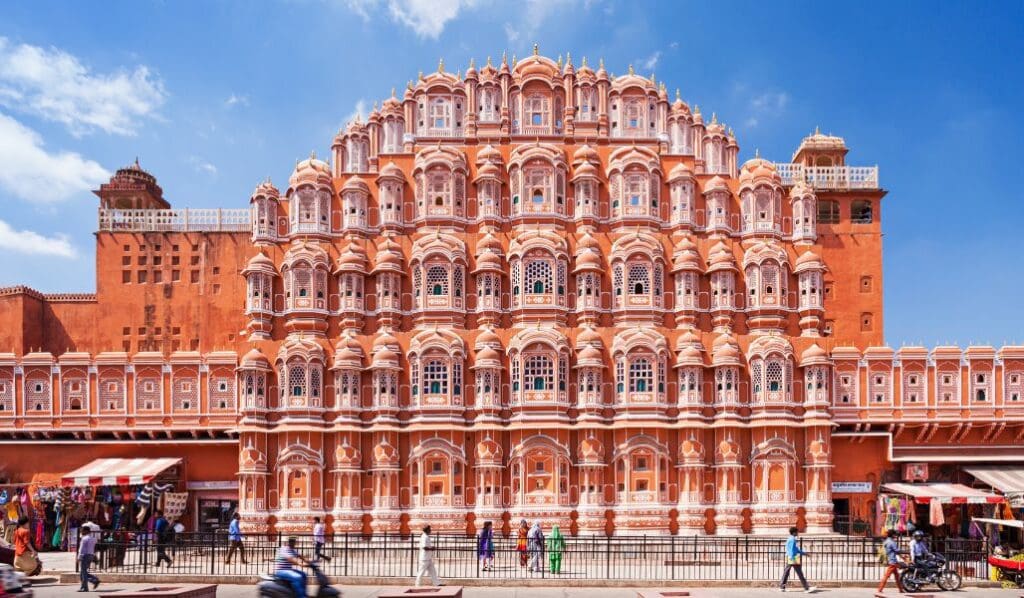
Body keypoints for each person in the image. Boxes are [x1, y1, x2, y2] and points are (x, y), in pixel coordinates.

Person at [779, 526, 817, 593]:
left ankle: (782, 587)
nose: (798, 533)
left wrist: (805, 553)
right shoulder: (792, 539)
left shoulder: (790, 538)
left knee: (786, 572)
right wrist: (792, 557)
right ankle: (807, 588)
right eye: (797, 532)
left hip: (791, 557)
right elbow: (792, 550)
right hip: (793, 558)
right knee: (799, 573)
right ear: (794, 532)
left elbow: (795, 549)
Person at [877, 529, 907, 593]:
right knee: (887, 576)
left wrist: (903, 557)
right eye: (895, 534)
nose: (896, 535)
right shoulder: (892, 542)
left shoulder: (887, 541)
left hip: (892, 561)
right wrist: (905, 551)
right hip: (892, 562)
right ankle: (880, 589)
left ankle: (901, 589)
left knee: (897, 577)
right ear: (892, 535)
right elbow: (897, 550)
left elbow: (895, 551)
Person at [77, 524, 100, 592]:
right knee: (83, 572)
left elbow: (82, 549)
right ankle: (94, 581)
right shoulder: (93, 539)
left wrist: (79, 557)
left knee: (83, 572)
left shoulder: (84, 539)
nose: (81, 532)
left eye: (82, 530)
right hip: (91, 555)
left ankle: (85, 587)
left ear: (86, 531)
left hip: (85, 555)